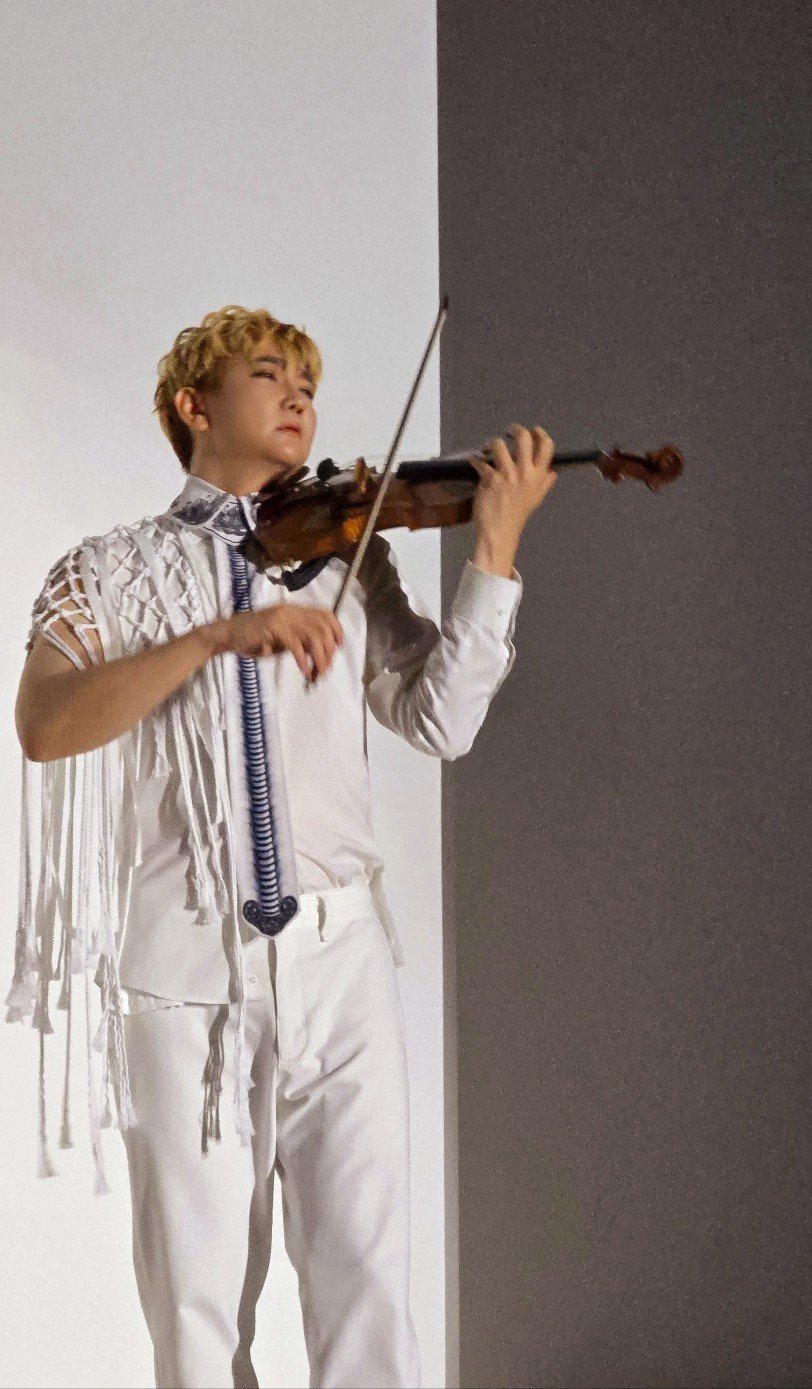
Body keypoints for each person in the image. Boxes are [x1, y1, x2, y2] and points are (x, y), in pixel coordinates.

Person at [7, 303, 556, 1388]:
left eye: (308, 380)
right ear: (194, 405)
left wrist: (494, 549)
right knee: (199, 1312)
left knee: (367, 1286)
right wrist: (215, 635)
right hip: (187, 967)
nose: (300, 394)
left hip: (343, 959)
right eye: (268, 373)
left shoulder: (350, 559)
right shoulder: (107, 569)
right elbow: (45, 724)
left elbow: (440, 721)